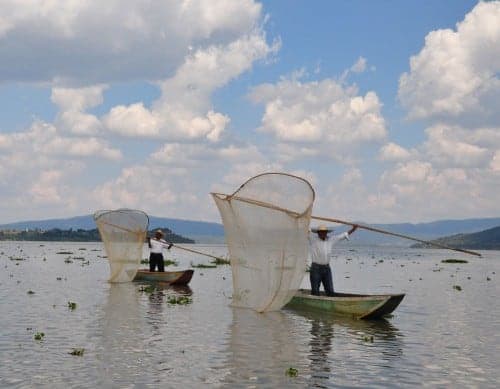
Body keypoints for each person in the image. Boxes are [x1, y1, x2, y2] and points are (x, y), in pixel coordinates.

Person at [309, 224, 358, 296]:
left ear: (326, 233)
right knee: (315, 290)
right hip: (316, 268)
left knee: (330, 290)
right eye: (321, 232)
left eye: (324, 232)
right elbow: (306, 230)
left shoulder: (331, 240)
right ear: (318, 233)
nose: (322, 233)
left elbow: (343, 236)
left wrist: (353, 229)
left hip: (326, 268)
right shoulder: (313, 239)